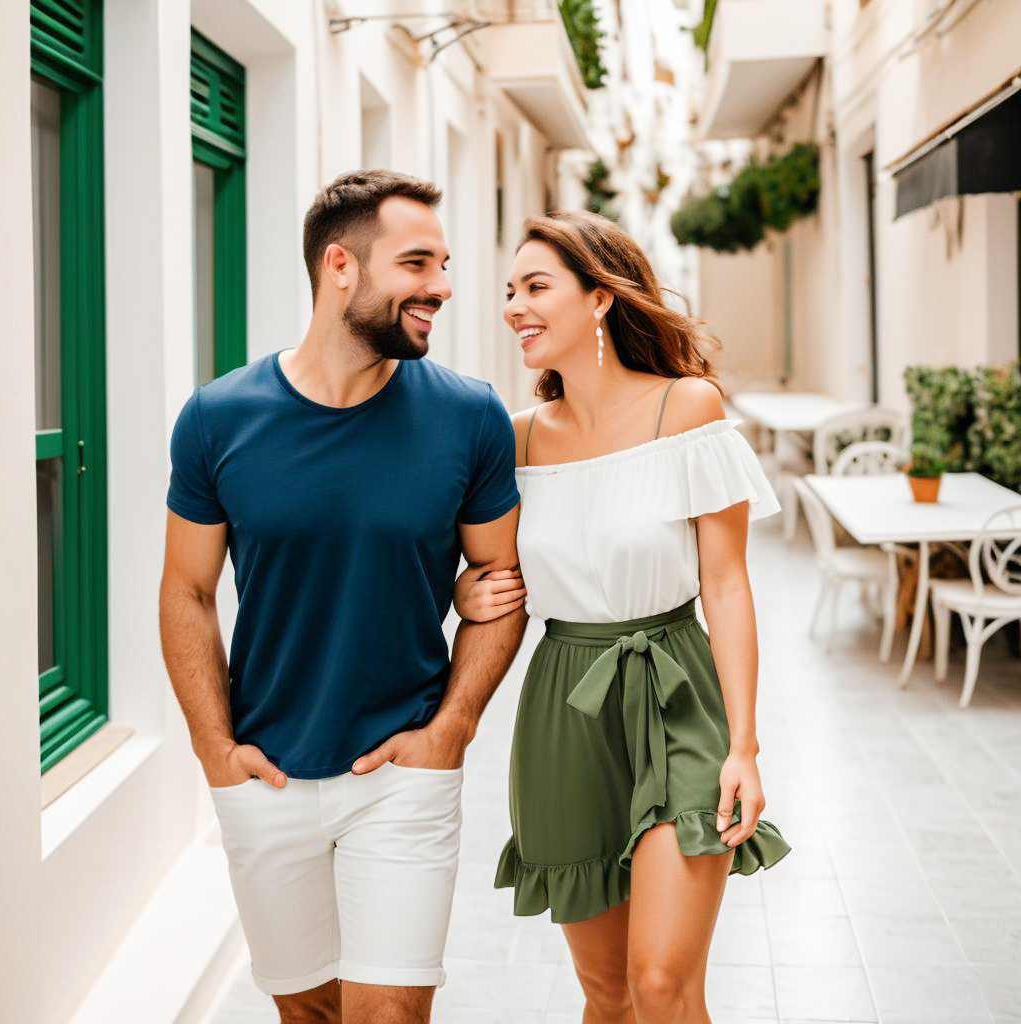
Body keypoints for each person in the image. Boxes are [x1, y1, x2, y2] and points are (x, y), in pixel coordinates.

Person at [159, 170, 528, 1024]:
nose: (440, 285)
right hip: (267, 771)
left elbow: (500, 589)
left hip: (404, 773)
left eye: (442, 263)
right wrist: (214, 748)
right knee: (309, 1012)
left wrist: (452, 729)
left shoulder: (470, 417)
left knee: (389, 1012)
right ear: (341, 266)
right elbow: (186, 589)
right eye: (417, 263)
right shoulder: (217, 418)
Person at [455, 211, 792, 1024]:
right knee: (607, 996)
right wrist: (469, 593)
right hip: (564, 710)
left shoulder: (688, 409)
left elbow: (729, 586)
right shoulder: (518, 441)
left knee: (663, 985)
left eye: (537, 287)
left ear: (601, 299)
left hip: (677, 695)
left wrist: (743, 743)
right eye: (510, 290)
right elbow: (486, 570)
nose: (514, 307)